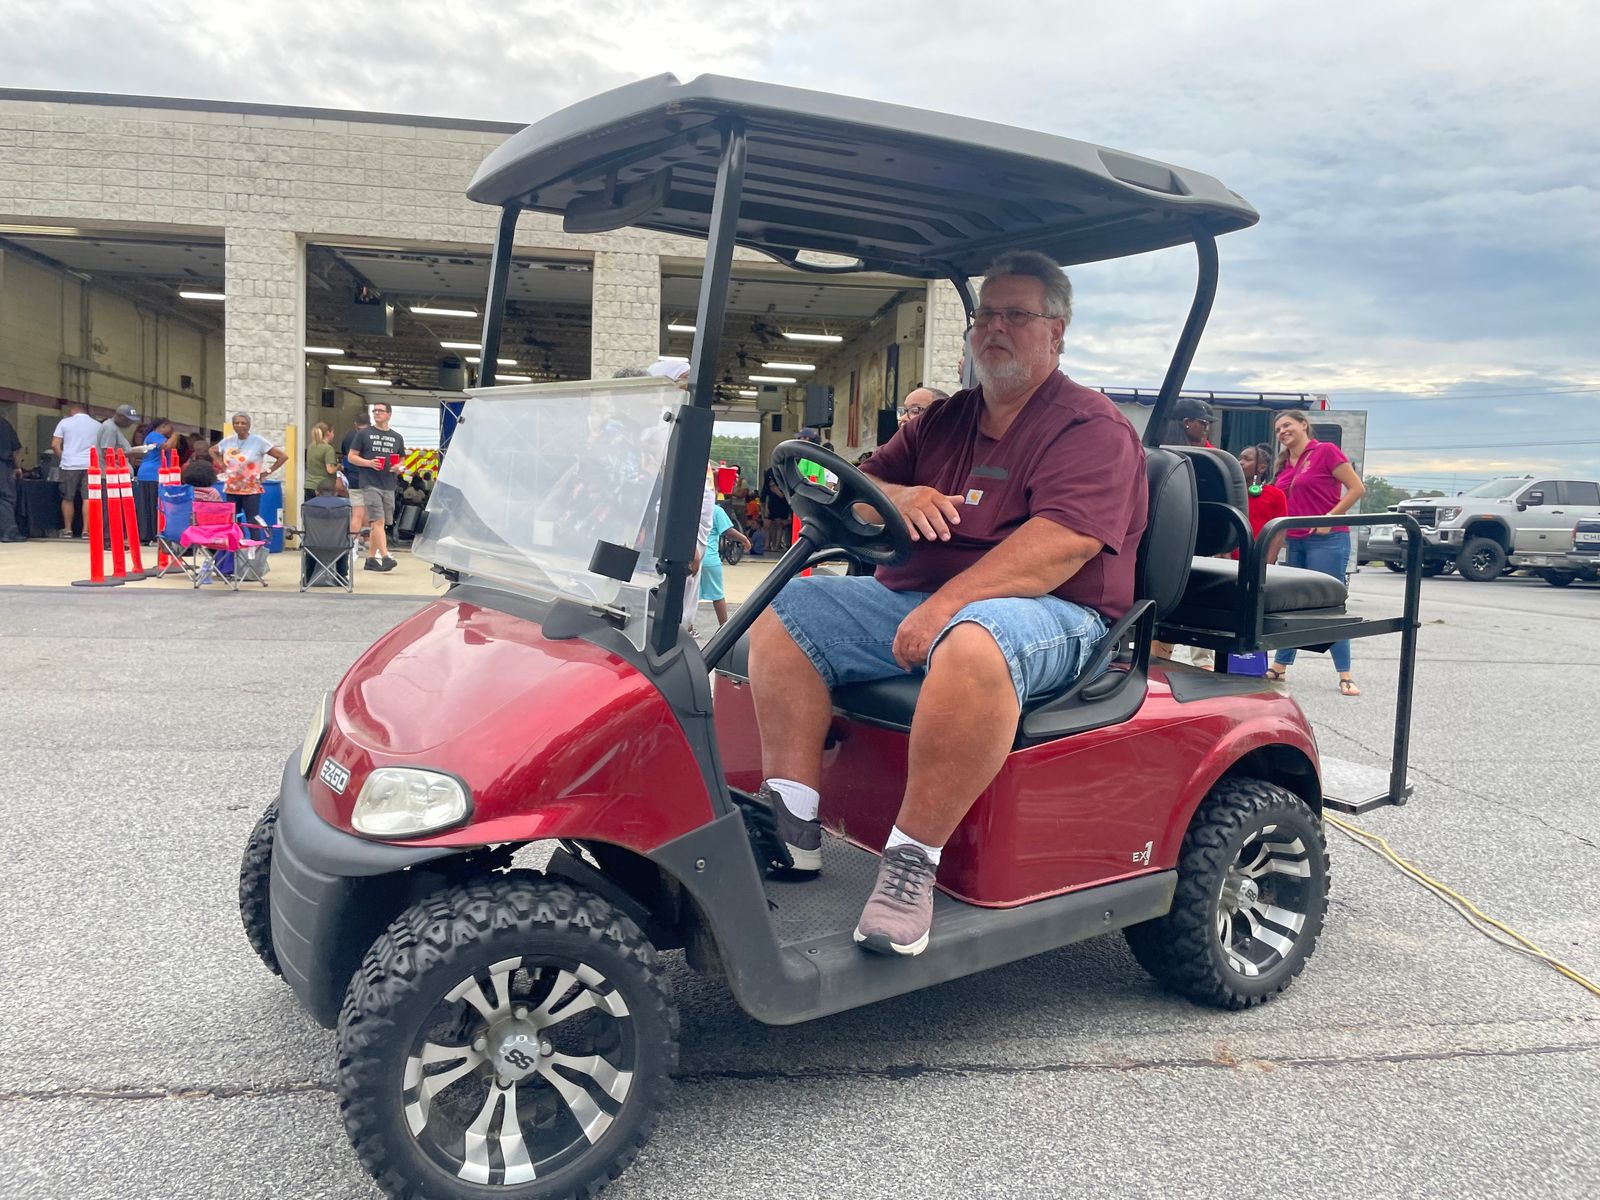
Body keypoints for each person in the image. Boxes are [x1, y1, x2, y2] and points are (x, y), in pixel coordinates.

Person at [747, 250, 1148, 956]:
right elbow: (861, 485)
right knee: (787, 610)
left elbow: (1061, 546)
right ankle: (793, 824)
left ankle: (911, 864)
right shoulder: (944, 420)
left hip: (1059, 613)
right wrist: (899, 496)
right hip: (923, 596)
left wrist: (943, 609)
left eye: (1016, 315)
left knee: (972, 639)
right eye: (985, 315)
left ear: (1056, 331)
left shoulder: (1091, 427)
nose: (994, 328)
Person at [1267, 410, 1366, 695]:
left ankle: (1345, 673)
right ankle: (1280, 665)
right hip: (1296, 541)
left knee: (1329, 605)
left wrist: (1329, 517)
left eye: (1287, 425)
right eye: (1278, 429)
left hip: (1327, 540)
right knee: (1293, 605)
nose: (1282, 432)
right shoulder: (1284, 464)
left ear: (1304, 425)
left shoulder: (1325, 451)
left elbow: (1357, 488)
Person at [347, 401, 406, 572]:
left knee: (381, 523)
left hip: (389, 483)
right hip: (370, 483)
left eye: (380, 411)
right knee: (377, 520)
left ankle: (371, 559)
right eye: (374, 411)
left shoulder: (397, 437)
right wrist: (369, 463)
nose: (377, 413)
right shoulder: (364, 434)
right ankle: (385, 556)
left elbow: (401, 458)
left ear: (389, 414)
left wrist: (399, 467)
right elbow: (351, 456)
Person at [212, 412, 287, 524]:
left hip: (251, 489)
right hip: (232, 488)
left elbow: (282, 456)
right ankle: (238, 536)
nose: (240, 425)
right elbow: (212, 450)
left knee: (252, 521)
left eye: (243, 423)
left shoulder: (258, 441)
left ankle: (255, 536)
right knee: (234, 521)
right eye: (236, 423)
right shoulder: (228, 441)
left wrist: (267, 472)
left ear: (249, 425)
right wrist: (222, 465)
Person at [51, 402, 101, 537]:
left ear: (73, 410)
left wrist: (63, 457)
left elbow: (55, 445)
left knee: (68, 497)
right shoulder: (97, 425)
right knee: (88, 497)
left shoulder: (65, 422)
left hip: (70, 464)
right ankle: (86, 531)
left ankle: (67, 529)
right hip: (91, 465)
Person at [699, 502, 751, 627]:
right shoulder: (716, 510)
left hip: (692, 557)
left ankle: (688, 626)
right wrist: (744, 539)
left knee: (690, 596)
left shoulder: (691, 508)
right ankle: (723, 627)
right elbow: (728, 531)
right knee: (717, 595)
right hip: (709, 558)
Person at [1236, 442, 1287, 560]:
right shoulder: (1231, 492)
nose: (1240, 462)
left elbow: (1279, 532)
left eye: (1247, 459)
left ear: (1261, 468)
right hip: (1229, 562)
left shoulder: (1276, 495)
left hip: (1259, 560)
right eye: (1240, 459)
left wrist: (1267, 562)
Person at [135, 418, 179, 543]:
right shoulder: (155, 435)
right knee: (153, 506)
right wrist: (175, 435)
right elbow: (167, 447)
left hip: (153, 475)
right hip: (153, 475)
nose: (172, 430)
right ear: (163, 426)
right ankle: (151, 534)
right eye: (170, 427)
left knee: (151, 506)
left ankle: (150, 534)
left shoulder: (154, 436)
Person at [0, 411, 23, 542]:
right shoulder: (4, 424)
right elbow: (16, 448)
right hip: (3, 466)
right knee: (6, 498)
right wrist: (17, 466)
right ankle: (9, 532)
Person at [305, 421, 338, 502]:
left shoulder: (311, 447)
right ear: (328, 433)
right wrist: (339, 467)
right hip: (322, 488)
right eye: (333, 432)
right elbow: (330, 470)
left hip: (309, 485)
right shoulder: (328, 448)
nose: (333, 435)